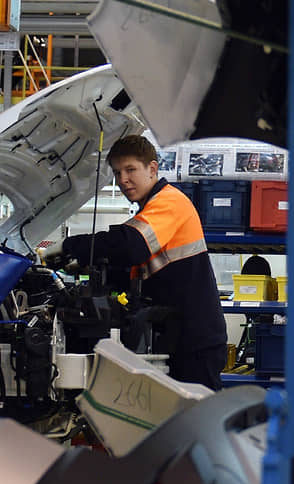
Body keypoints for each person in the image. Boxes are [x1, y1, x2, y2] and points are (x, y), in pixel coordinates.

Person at [59, 134, 228, 389]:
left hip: (194, 340)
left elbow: (131, 245)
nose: (123, 180)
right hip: (175, 335)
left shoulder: (169, 202)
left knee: (195, 412)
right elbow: (140, 272)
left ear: (152, 168)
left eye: (130, 170)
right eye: (117, 173)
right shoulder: (150, 209)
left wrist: (71, 246)